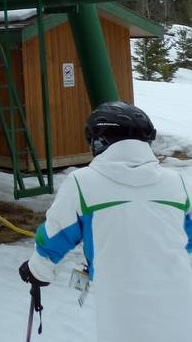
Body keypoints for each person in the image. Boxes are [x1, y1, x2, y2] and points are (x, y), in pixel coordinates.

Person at [19, 101, 192, 341]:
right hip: (180, 299)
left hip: (121, 304)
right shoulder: (177, 182)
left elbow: (55, 236)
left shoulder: (82, 182)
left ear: (100, 142)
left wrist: (38, 271)